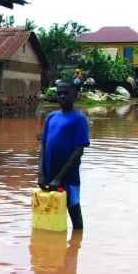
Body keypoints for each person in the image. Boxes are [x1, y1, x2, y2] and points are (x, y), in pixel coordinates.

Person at [38, 80, 90, 230]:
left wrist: (59, 178)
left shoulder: (78, 119)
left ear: (75, 94)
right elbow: (43, 146)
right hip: (48, 175)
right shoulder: (51, 117)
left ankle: (75, 249)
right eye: (59, 93)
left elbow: (78, 151)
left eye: (66, 93)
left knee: (74, 214)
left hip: (68, 177)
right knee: (47, 215)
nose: (62, 96)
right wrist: (41, 173)